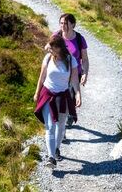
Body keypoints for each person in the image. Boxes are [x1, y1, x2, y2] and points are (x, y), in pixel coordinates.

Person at [33, 34, 81, 167]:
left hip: (64, 96)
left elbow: (75, 81)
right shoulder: (48, 58)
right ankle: (51, 157)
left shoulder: (71, 61)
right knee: (50, 126)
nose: (49, 49)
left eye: (52, 47)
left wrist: (78, 95)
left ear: (59, 48)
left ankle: (57, 149)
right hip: (48, 95)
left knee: (61, 125)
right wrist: (37, 93)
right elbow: (42, 77)